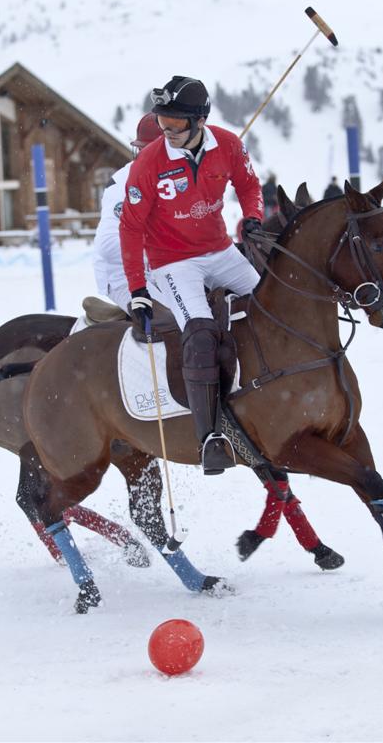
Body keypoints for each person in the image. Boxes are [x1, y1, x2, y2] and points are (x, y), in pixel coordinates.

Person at [119, 75, 264, 475]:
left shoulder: (229, 145)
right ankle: (211, 435)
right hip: (172, 262)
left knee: (270, 304)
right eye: (161, 121)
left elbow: (250, 185)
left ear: (200, 119)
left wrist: (251, 219)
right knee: (199, 333)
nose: (165, 131)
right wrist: (137, 289)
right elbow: (130, 228)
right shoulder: (149, 163)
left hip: (219, 251)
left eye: (175, 124)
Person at [93, 113, 163, 313]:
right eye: (142, 150)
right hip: (120, 275)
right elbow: (108, 245)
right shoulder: (121, 185)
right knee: (174, 319)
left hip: (163, 271)